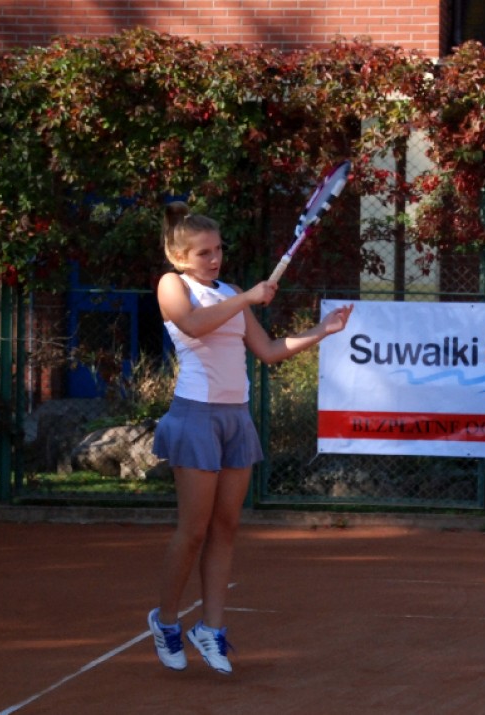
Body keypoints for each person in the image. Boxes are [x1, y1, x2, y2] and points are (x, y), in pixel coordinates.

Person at [147, 202, 353, 674]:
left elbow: (268, 351)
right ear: (179, 256)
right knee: (193, 530)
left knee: (226, 528)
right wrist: (247, 299)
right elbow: (194, 324)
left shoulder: (231, 291)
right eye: (204, 252)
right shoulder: (172, 286)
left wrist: (323, 330)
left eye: (218, 249)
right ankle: (167, 620)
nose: (214, 259)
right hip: (195, 416)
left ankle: (211, 629)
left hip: (235, 418)